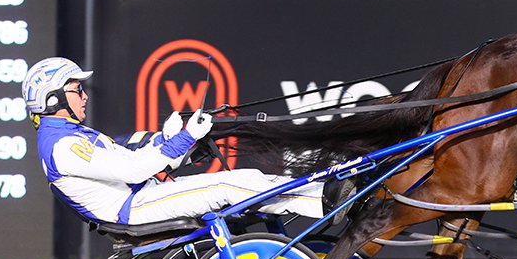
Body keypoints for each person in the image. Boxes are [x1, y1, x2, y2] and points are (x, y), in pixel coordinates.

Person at [22, 57, 337, 225]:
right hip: (134, 207)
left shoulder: (70, 137)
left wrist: (168, 138)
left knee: (245, 180)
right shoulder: (63, 146)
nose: (85, 96)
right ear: (53, 99)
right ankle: (324, 199)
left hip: (142, 196)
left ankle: (316, 195)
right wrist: (186, 137)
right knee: (229, 185)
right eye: (77, 90)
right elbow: (132, 171)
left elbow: (131, 153)